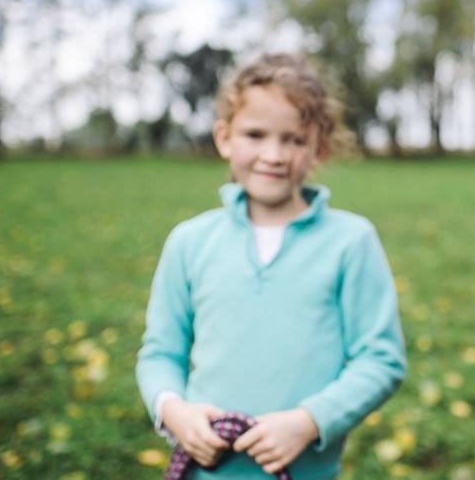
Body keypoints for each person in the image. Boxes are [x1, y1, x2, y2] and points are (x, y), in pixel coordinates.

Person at [136, 53, 407, 479]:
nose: (274, 154)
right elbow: (160, 353)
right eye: (255, 134)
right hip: (206, 470)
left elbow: (381, 359)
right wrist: (173, 410)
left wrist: (308, 421)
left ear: (318, 149)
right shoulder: (189, 242)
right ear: (225, 138)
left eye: (294, 139)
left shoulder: (351, 242)